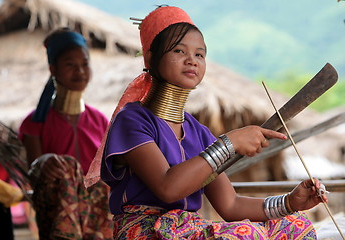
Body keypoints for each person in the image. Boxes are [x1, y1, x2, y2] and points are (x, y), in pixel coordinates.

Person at [86, 6, 327, 239]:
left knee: (296, 226)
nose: (192, 60)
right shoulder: (132, 120)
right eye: (179, 51)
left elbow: (230, 205)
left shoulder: (198, 132)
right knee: (246, 235)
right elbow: (167, 187)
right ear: (150, 57)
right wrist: (228, 143)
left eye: (199, 54)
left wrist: (289, 202)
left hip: (189, 229)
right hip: (144, 230)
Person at [19, 28, 113, 240]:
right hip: (57, 207)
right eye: (70, 64)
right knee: (67, 166)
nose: (79, 71)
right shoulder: (34, 123)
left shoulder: (100, 120)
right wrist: (44, 161)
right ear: (53, 69)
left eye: (85, 64)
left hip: (98, 209)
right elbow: (33, 173)